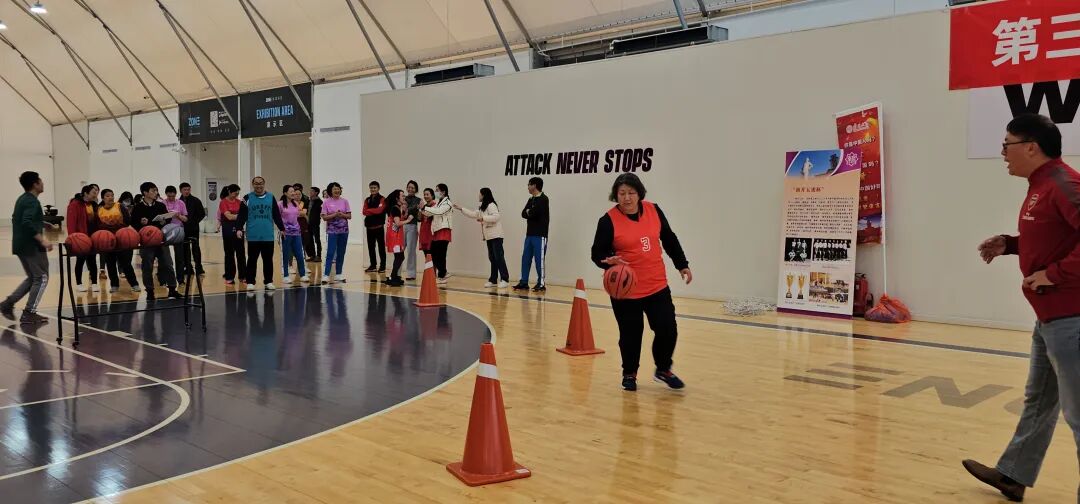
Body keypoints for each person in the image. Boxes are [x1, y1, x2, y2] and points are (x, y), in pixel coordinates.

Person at [963, 113, 1080, 503]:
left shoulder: (1063, 184)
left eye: (1007, 145)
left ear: (1031, 147)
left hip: (1071, 318)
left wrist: (1055, 274)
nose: (1002, 153)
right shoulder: (1041, 186)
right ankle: (1013, 475)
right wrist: (1011, 244)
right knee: (1039, 399)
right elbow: (1055, 235)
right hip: (1050, 317)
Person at [590, 173, 691, 392]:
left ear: (639, 193)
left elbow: (669, 238)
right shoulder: (608, 221)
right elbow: (597, 253)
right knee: (631, 335)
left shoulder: (654, 210)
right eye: (622, 193)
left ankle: (663, 369)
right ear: (616, 195)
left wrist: (682, 264)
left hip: (656, 285)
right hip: (626, 290)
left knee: (667, 329)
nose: (626, 198)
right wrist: (608, 260)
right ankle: (629, 374)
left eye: (631, 193)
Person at [0, 171, 53, 324]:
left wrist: (42, 223)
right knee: (42, 278)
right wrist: (42, 240)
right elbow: (26, 222)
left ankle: (7, 304)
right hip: (31, 246)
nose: (43, 184)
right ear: (35, 184)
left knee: (33, 278)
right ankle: (29, 312)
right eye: (41, 181)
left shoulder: (22, 199)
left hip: (20, 245)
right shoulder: (32, 201)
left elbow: (17, 218)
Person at [131, 182, 182, 301]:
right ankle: (149, 291)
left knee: (168, 264)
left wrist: (164, 221)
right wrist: (141, 222)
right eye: (153, 190)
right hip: (146, 242)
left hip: (161, 240)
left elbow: (167, 220)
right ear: (145, 193)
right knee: (147, 267)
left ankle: (172, 289)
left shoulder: (160, 205)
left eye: (156, 190)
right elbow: (133, 223)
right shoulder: (138, 207)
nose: (155, 193)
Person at [455, 188, 509, 288]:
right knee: (492, 258)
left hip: (496, 236)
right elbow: (473, 214)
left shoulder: (491, 205)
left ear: (484, 195)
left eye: (479, 194)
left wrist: (483, 218)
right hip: (489, 236)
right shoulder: (483, 207)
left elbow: (496, 217)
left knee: (499, 257)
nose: (478, 196)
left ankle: (505, 279)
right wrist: (461, 208)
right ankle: (493, 280)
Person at [238, 176, 285, 291]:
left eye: (260, 183)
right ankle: (250, 282)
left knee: (268, 260)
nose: (258, 185)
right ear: (253, 184)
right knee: (252, 260)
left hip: (268, 235)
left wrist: (282, 228)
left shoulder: (271, 197)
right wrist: (238, 228)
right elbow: (242, 215)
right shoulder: (247, 198)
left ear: (264, 184)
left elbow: (276, 215)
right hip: (253, 235)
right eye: (256, 183)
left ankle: (268, 281)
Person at [96, 189, 139, 293]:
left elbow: (127, 221)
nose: (110, 197)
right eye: (107, 196)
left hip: (122, 238)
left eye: (112, 195)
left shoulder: (119, 206)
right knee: (110, 263)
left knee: (126, 263)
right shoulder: (99, 209)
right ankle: (114, 285)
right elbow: (98, 224)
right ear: (102, 198)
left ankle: (134, 284)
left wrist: (115, 225)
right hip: (108, 240)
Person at [514, 176, 550, 293]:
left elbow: (534, 213)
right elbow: (523, 213)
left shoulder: (544, 199)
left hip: (540, 235)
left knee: (539, 261)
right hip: (529, 234)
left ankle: (541, 283)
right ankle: (524, 282)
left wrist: (529, 212)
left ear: (534, 185)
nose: (528, 187)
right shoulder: (531, 199)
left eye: (529, 184)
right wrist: (529, 212)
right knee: (526, 258)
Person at [66, 184, 100, 293]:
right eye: (93, 192)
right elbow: (71, 223)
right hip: (80, 238)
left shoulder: (93, 205)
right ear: (86, 193)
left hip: (92, 237)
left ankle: (94, 283)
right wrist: (73, 238)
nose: (96, 194)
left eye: (97, 192)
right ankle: (79, 284)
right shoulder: (74, 204)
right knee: (80, 260)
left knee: (92, 261)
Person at [421, 183, 453, 285]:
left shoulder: (448, 203)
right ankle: (444, 272)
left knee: (441, 255)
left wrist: (424, 208)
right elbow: (430, 213)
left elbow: (439, 212)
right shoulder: (439, 203)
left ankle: (442, 276)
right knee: (433, 254)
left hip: (444, 231)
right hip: (436, 232)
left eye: (437, 190)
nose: (436, 192)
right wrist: (422, 209)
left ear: (443, 192)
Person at [322, 182, 352, 284]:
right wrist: (335, 214)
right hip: (332, 231)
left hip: (344, 231)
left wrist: (341, 214)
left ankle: (339, 274)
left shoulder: (345, 201)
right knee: (330, 252)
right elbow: (324, 217)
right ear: (330, 191)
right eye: (334, 189)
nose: (337, 190)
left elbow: (349, 216)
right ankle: (326, 275)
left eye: (338, 189)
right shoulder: (326, 202)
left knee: (341, 252)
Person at [279, 185, 309, 284]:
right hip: (285, 233)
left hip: (296, 233)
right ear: (285, 193)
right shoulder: (280, 204)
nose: (293, 193)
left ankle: (303, 275)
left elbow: (299, 214)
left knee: (300, 254)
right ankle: (286, 275)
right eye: (291, 191)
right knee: (286, 254)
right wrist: (281, 228)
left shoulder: (295, 203)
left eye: (294, 191)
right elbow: (276, 217)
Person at [218, 184, 246, 285]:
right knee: (229, 254)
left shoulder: (240, 202)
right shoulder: (223, 202)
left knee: (241, 253)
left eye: (238, 193)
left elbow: (243, 216)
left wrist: (238, 216)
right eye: (235, 193)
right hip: (228, 230)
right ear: (229, 192)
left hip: (239, 229)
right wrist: (240, 216)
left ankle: (243, 276)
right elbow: (228, 217)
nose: (236, 195)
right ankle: (229, 277)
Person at [162, 185, 189, 284]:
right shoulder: (162, 203)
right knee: (165, 257)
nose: (171, 198)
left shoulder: (181, 203)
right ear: (166, 194)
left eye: (173, 196)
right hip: (166, 231)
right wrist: (167, 215)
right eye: (169, 196)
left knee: (179, 257)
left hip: (178, 231)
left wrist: (178, 216)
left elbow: (186, 219)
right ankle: (165, 279)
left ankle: (180, 279)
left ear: (176, 194)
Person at [383, 189, 410, 287]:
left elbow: (399, 219)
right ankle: (393, 277)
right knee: (400, 256)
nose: (404, 197)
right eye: (402, 196)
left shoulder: (397, 208)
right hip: (395, 236)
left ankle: (394, 277)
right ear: (397, 198)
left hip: (395, 235)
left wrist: (405, 211)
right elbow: (398, 223)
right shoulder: (395, 208)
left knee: (399, 256)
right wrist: (408, 220)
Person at [179, 182, 206, 277]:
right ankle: (188, 268)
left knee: (195, 248)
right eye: (185, 190)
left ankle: (199, 268)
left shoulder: (196, 200)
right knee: (185, 248)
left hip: (194, 228)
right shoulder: (179, 202)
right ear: (181, 190)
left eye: (188, 189)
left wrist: (194, 222)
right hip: (182, 228)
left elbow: (202, 214)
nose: (187, 191)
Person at [117, 191, 141, 293]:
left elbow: (133, 221)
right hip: (120, 234)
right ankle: (120, 272)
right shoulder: (118, 207)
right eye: (125, 200)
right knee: (119, 257)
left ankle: (134, 283)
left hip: (130, 235)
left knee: (127, 258)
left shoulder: (134, 208)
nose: (127, 201)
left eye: (129, 200)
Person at [362, 181, 387, 273]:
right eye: (371, 188)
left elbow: (380, 210)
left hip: (379, 227)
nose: (373, 189)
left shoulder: (382, 199)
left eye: (374, 188)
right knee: (371, 247)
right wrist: (373, 211)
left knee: (381, 248)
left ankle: (382, 266)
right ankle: (373, 266)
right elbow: (364, 212)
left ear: (378, 188)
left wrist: (369, 210)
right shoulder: (367, 200)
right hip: (369, 227)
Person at [404, 180, 422, 281]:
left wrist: (416, 209)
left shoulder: (419, 200)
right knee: (399, 250)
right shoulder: (403, 198)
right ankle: (396, 272)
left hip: (412, 226)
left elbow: (419, 218)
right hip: (402, 226)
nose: (410, 189)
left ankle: (411, 273)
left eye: (413, 188)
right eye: (409, 187)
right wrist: (414, 208)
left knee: (411, 250)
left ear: (416, 190)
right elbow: (404, 211)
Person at [306, 186, 323, 263]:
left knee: (317, 240)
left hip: (315, 223)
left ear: (316, 193)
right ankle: (312, 255)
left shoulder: (319, 202)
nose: (310, 192)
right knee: (310, 240)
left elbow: (321, 213)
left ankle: (319, 256)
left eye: (312, 191)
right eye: (310, 191)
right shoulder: (308, 201)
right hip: (308, 223)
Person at [418, 188, 435, 260]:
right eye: (424, 194)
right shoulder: (424, 206)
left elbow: (430, 215)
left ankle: (433, 268)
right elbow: (419, 219)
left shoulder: (435, 205)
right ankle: (429, 268)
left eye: (427, 194)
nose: (425, 196)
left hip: (431, 234)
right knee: (426, 256)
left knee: (432, 255)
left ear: (432, 195)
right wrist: (420, 209)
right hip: (423, 234)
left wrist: (422, 210)